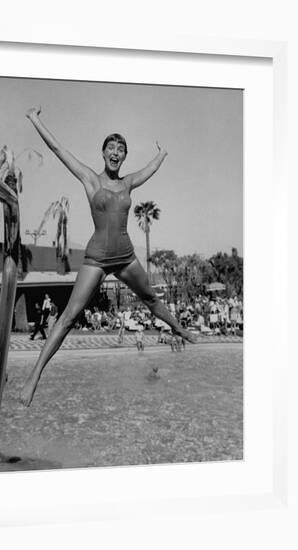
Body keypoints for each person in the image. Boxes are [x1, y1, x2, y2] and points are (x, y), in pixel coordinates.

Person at [20, 106, 196, 406]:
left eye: (122, 149)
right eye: (111, 148)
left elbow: (149, 170)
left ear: (124, 156)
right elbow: (57, 148)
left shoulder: (127, 182)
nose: (116, 153)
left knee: (151, 299)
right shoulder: (90, 179)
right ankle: (34, 376)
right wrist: (36, 119)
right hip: (98, 258)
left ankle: (179, 327)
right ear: (103, 152)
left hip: (125, 256)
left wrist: (162, 153)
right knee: (68, 317)